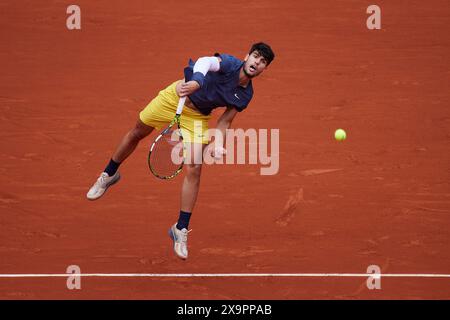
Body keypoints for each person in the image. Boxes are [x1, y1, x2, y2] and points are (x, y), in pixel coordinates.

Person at [87, 42, 275, 260]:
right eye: (256, 57)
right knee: (138, 131)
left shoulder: (245, 95)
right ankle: (109, 174)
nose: (257, 63)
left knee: (194, 167)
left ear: (264, 69)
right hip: (174, 98)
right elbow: (205, 62)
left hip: (197, 117)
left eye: (263, 62)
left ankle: (180, 228)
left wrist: (219, 142)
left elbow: (225, 120)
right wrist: (197, 81)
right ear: (247, 56)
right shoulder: (231, 64)